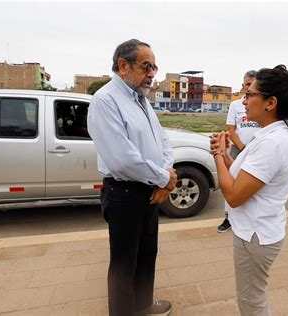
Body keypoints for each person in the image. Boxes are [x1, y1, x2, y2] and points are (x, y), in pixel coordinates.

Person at [210, 65, 288, 316]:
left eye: (250, 94)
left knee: (251, 299)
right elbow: (245, 176)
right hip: (259, 230)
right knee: (254, 295)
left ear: (270, 103)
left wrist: (216, 157)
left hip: (255, 235)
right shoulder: (270, 135)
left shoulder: (271, 143)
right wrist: (224, 154)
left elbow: (233, 195)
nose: (244, 101)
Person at [87, 39, 176, 316]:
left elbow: (163, 141)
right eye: (146, 66)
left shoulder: (141, 100)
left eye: (154, 67)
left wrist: (164, 178)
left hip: (150, 191)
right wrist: (163, 178)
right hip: (124, 194)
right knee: (124, 265)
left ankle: (144, 307)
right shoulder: (105, 101)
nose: (152, 74)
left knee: (147, 255)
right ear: (123, 65)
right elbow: (122, 159)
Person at [217, 70, 261, 233]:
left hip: (257, 150)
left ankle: (248, 218)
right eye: (247, 85)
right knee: (230, 182)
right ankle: (228, 218)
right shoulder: (236, 105)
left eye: (253, 85)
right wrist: (243, 148)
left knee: (251, 185)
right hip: (238, 149)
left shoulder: (260, 105)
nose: (249, 88)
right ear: (243, 86)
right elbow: (231, 129)